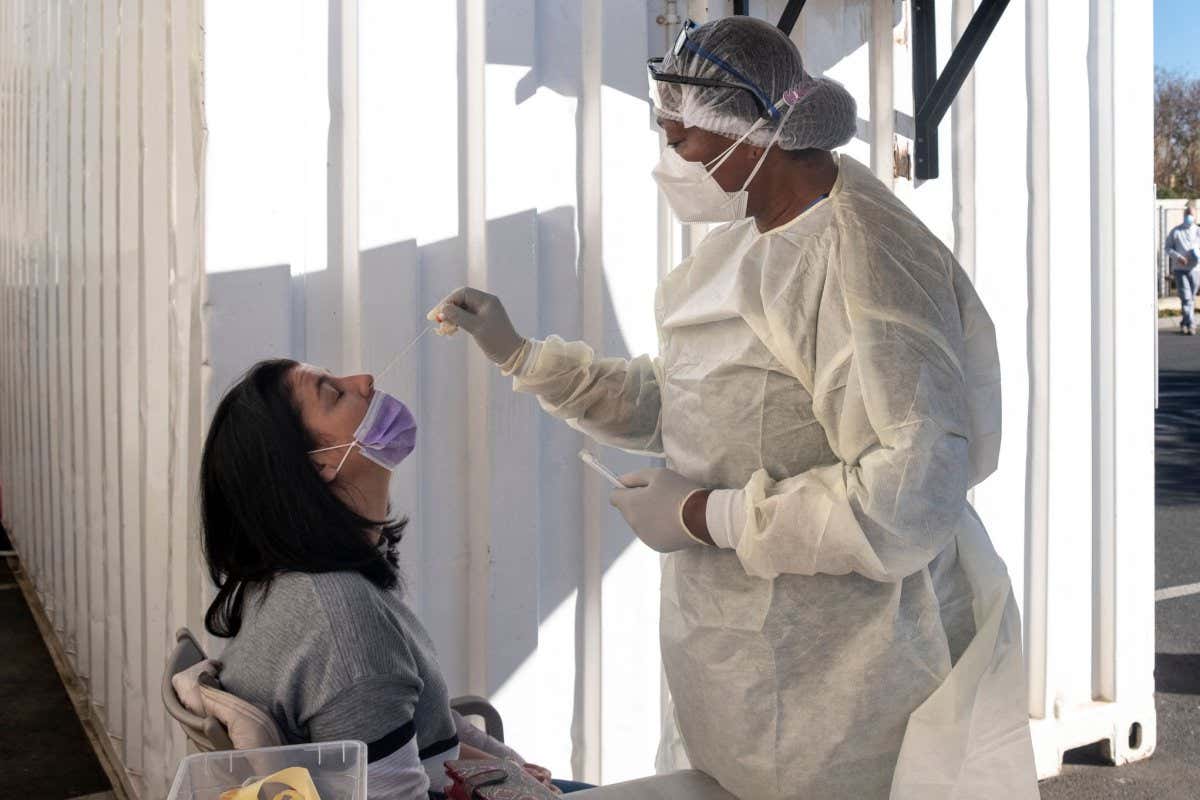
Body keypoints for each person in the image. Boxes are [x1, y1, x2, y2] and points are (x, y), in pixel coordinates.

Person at [430, 16, 1038, 800]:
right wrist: (522, 355)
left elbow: (908, 497)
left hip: (848, 689)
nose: (669, 160)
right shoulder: (753, 240)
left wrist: (703, 516)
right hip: (744, 671)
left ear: (753, 133)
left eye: (680, 139)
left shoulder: (866, 262)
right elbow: (688, 397)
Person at [200, 359, 588, 798]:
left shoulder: (296, 581)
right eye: (334, 394)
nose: (365, 381)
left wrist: (509, 769)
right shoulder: (342, 621)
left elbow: (425, 736)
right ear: (319, 463)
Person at [1164, 203, 1200, 335]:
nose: (1189, 216)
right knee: (1186, 297)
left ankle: (1184, 322)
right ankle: (1191, 324)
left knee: (1191, 297)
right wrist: (1178, 257)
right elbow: (1168, 248)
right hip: (1180, 269)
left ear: (1196, 216)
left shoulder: (1198, 231)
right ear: (1184, 215)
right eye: (1187, 214)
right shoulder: (1176, 231)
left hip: (1195, 269)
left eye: (1191, 214)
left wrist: (1195, 255)